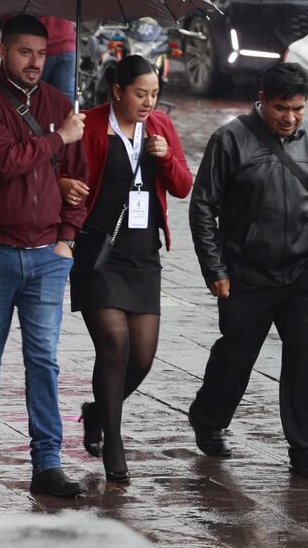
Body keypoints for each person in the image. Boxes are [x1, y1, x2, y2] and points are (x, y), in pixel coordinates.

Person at [187, 62, 308, 479]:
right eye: (281, 108)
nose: (290, 118)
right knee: (237, 351)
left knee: (304, 355)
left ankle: (307, 447)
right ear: (262, 100)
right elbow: (203, 206)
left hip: (304, 272)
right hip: (245, 271)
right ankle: (208, 417)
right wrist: (214, 267)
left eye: (298, 108)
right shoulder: (230, 140)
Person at [0, 14, 88, 497]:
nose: (35, 62)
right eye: (25, 52)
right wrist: (59, 137)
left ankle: (47, 461)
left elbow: (80, 181)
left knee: (43, 360)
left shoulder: (59, 104)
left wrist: (67, 236)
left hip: (49, 254)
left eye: (41, 53)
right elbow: (5, 162)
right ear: (3, 52)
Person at [59, 55, 192, 483]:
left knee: (143, 357)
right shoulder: (91, 124)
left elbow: (183, 185)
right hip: (98, 249)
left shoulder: (160, 127)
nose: (148, 102)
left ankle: (97, 412)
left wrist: (166, 156)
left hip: (142, 254)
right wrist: (65, 185)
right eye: (140, 93)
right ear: (117, 90)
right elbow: (60, 173)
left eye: (154, 94)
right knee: (114, 345)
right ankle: (114, 443)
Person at [38, 16, 77, 103]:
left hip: (44, 46)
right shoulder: (67, 2)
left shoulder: (35, 3)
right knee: (66, 95)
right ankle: (69, 115)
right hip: (67, 46)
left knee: (38, 93)